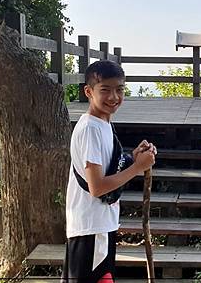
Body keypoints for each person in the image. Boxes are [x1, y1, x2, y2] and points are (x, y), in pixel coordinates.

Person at [61, 60, 156, 283]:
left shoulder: (102, 124)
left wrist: (133, 156)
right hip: (91, 227)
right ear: (88, 91)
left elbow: (107, 166)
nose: (114, 97)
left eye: (119, 89)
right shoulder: (90, 129)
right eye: (105, 90)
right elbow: (97, 187)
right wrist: (137, 167)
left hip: (99, 224)